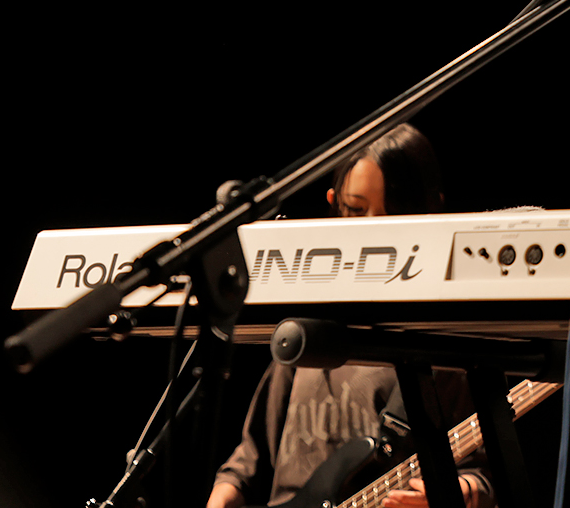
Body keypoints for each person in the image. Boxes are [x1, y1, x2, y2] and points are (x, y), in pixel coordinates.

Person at [207, 124, 494, 508]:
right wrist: (223, 496)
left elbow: (485, 474)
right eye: (356, 211)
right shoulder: (306, 331)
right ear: (333, 203)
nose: (372, 229)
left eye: (394, 215)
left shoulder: (444, 347)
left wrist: (458, 492)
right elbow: (248, 462)